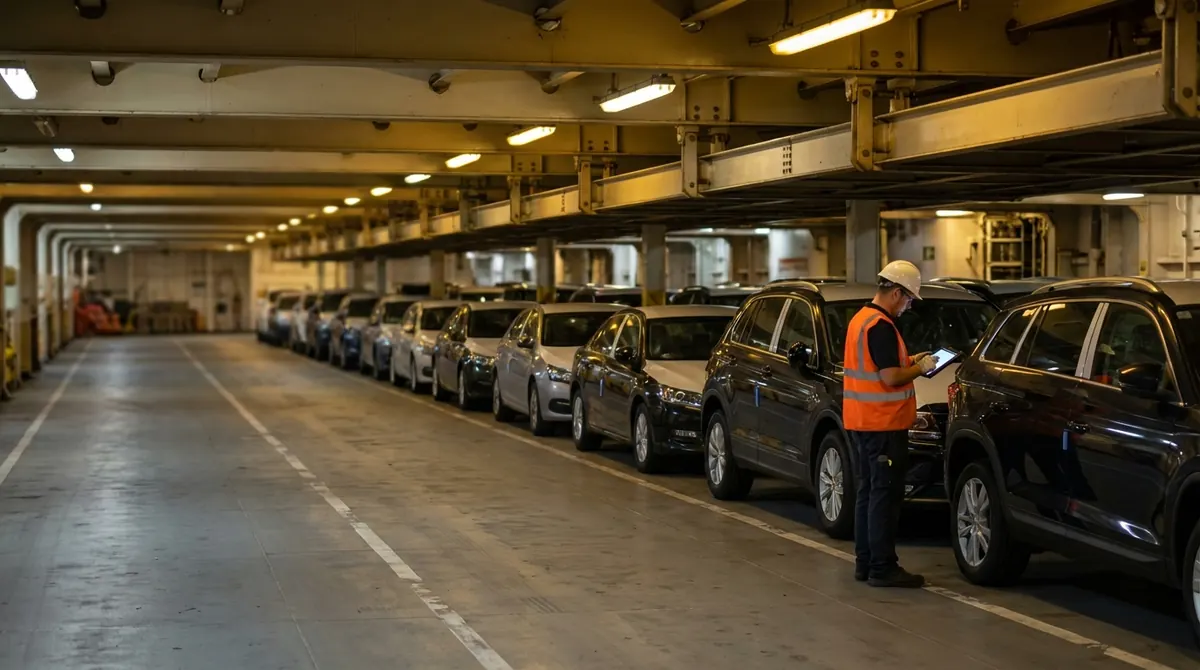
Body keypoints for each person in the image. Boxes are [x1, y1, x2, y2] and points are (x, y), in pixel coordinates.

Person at [843, 260, 936, 588]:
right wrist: (919, 369)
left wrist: (911, 360)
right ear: (896, 293)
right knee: (884, 495)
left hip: (863, 423)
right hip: (883, 425)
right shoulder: (880, 325)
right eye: (909, 299)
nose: (909, 306)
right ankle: (883, 567)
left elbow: (879, 365)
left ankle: (865, 562)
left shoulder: (861, 320)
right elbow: (890, 376)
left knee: (868, 492)